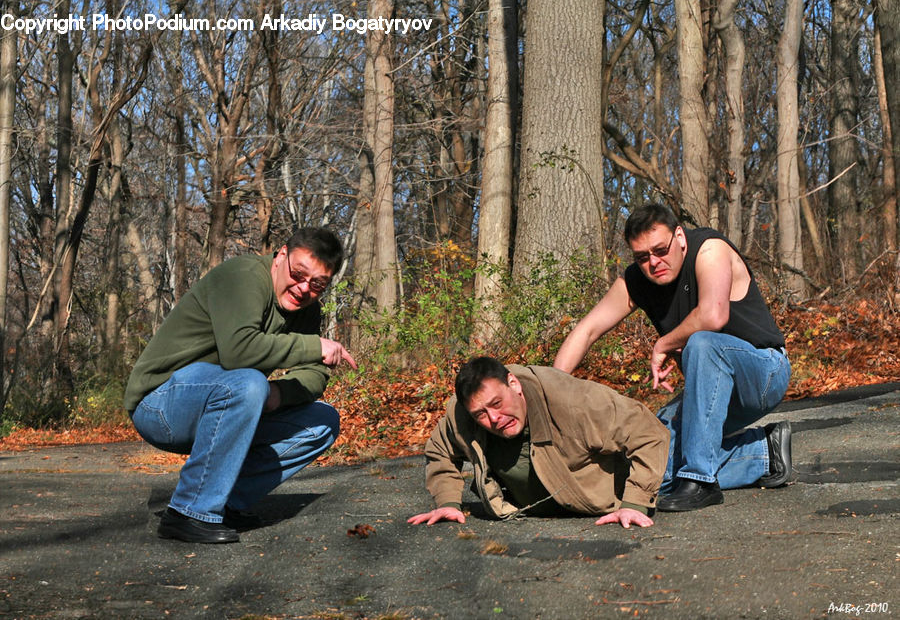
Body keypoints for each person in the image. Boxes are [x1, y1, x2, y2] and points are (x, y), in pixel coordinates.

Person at [124, 227, 357, 543]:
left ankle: (223, 501)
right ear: (281, 256)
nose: (304, 288)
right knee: (248, 382)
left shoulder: (306, 310)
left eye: (317, 285)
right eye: (299, 274)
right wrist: (315, 346)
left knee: (322, 422)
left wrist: (277, 394)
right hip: (161, 405)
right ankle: (188, 512)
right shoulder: (243, 276)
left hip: (224, 403)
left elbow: (314, 375)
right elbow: (239, 350)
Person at [553, 204, 792, 512]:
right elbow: (587, 330)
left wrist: (662, 344)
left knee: (703, 343)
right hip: (709, 393)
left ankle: (701, 482)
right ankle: (764, 453)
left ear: (679, 236)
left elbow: (713, 315)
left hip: (763, 373)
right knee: (649, 461)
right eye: (642, 257)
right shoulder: (636, 280)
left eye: (660, 250)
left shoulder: (709, 250)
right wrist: (551, 390)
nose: (654, 263)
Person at [407, 356, 669, 529]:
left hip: (633, 482)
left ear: (514, 383)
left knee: (678, 447)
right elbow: (439, 451)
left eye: (497, 403)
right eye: (481, 415)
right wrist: (448, 502)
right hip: (546, 503)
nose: (495, 418)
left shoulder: (574, 401)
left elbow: (647, 433)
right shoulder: (462, 413)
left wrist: (635, 504)